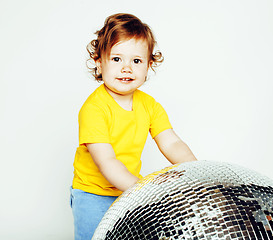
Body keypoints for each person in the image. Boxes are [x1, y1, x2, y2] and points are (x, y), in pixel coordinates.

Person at [70, 13, 197, 240]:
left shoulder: (149, 105)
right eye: (117, 59)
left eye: (136, 61)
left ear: (149, 66)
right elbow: (107, 162)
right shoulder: (94, 108)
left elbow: (171, 142)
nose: (126, 68)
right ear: (99, 61)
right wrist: (143, 189)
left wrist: (196, 171)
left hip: (128, 191)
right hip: (93, 194)